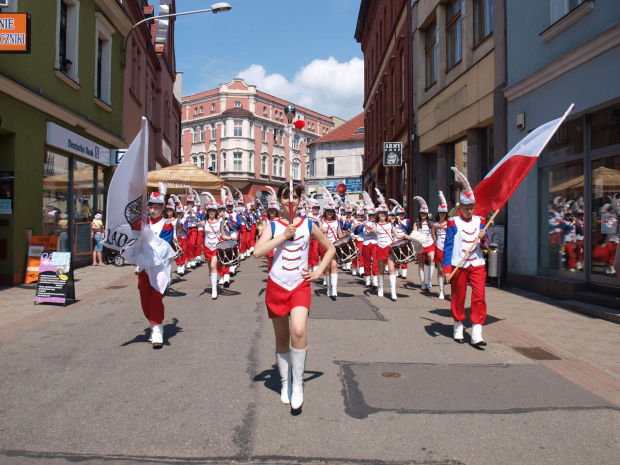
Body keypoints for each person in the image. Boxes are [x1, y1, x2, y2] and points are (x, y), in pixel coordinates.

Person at [253, 183, 335, 410]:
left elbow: (330, 248)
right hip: (276, 286)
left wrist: (318, 272)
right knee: (282, 338)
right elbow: (257, 252)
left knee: (298, 331)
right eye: (286, 196)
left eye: (295, 196)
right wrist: (283, 236)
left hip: (300, 285)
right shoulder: (272, 225)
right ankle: (285, 382)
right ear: (279, 201)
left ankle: (298, 384)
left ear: (300, 200)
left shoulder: (309, 224)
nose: (291, 200)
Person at [443, 167, 489, 348]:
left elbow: (486, 247)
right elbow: (447, 247)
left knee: (479, 297)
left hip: (477, 264)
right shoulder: (453, 222)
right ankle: (458, 327)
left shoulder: (482, 221)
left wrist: (484, 238)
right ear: (460, 207)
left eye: (471, 208)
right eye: (466, 208)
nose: (469, 211)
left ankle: (477, 332)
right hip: (458, 265)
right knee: (458, 296)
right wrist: (447, 269)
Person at [136, 185, 174, 349]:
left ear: (163, 208)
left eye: (156, 208)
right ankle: (154, 327)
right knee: (145, 303)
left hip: (160, 269)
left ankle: (158, 331)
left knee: (156, 300)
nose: (152, 211)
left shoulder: (167, 225)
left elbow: (162, 247)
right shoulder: (142, 224)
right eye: (150, 207)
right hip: (144, 268)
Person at [374, 196, 408, 300]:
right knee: (380, 270)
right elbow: (373, 230)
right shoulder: (375, 224)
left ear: (386, 215)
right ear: (378, 214)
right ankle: (380, 288)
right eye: (381, 213)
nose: (383, 215)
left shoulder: (390, 225)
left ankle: (393, 292)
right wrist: (373, 231)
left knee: (391, 269)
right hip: (380, 247)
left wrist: (406, 236)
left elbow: (397, 236)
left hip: (389, 248)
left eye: (384, 213)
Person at [198, 196, 232, 299]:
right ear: (207, 212)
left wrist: (231, 237)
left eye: (213, 210)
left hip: (216, 247)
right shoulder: (204, 223)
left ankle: (214, 290)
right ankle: (213, 285)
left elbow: (223, 235)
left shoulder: (220, 222)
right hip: (207, 247)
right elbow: (193, 226)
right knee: (210, 269)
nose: (211, 212)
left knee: (213, 266)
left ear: (216, 212)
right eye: (210, 210)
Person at [321, 193, 342, 298]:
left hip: (334, 247)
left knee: (334, 266)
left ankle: (334, 289)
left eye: (331, 211)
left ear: (334, 212)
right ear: (325, 211)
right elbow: (318, 235)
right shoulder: (321, 222)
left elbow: (340, 235)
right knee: (328, 268)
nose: (330, 213)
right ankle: (329, 287)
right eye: (328, 211)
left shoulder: (337, 222)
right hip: (325, 247)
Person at [413, 196, 435, 290]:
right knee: (421, 264)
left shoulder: (431, 223)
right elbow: (414, 234)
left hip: (430, 244)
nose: (423, 215)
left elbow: (433, 235)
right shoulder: (416, 223)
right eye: (421, 213)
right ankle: (422, 283)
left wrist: (436, 242)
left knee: (432, 258)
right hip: (421, 246)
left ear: (427, 214)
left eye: (425, 213)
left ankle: (429, 281)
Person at [432, 192, 449, 299]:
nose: (442, 214)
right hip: (439, 247)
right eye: (441, 213)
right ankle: (441, 291)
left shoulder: (450, 223)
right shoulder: (436, 224)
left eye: (444, 213)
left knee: (448, 269)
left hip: (448, 248)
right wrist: (436, 241)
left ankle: (448, 287)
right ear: (438, 213)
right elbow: (433, 232)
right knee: (440, 269)